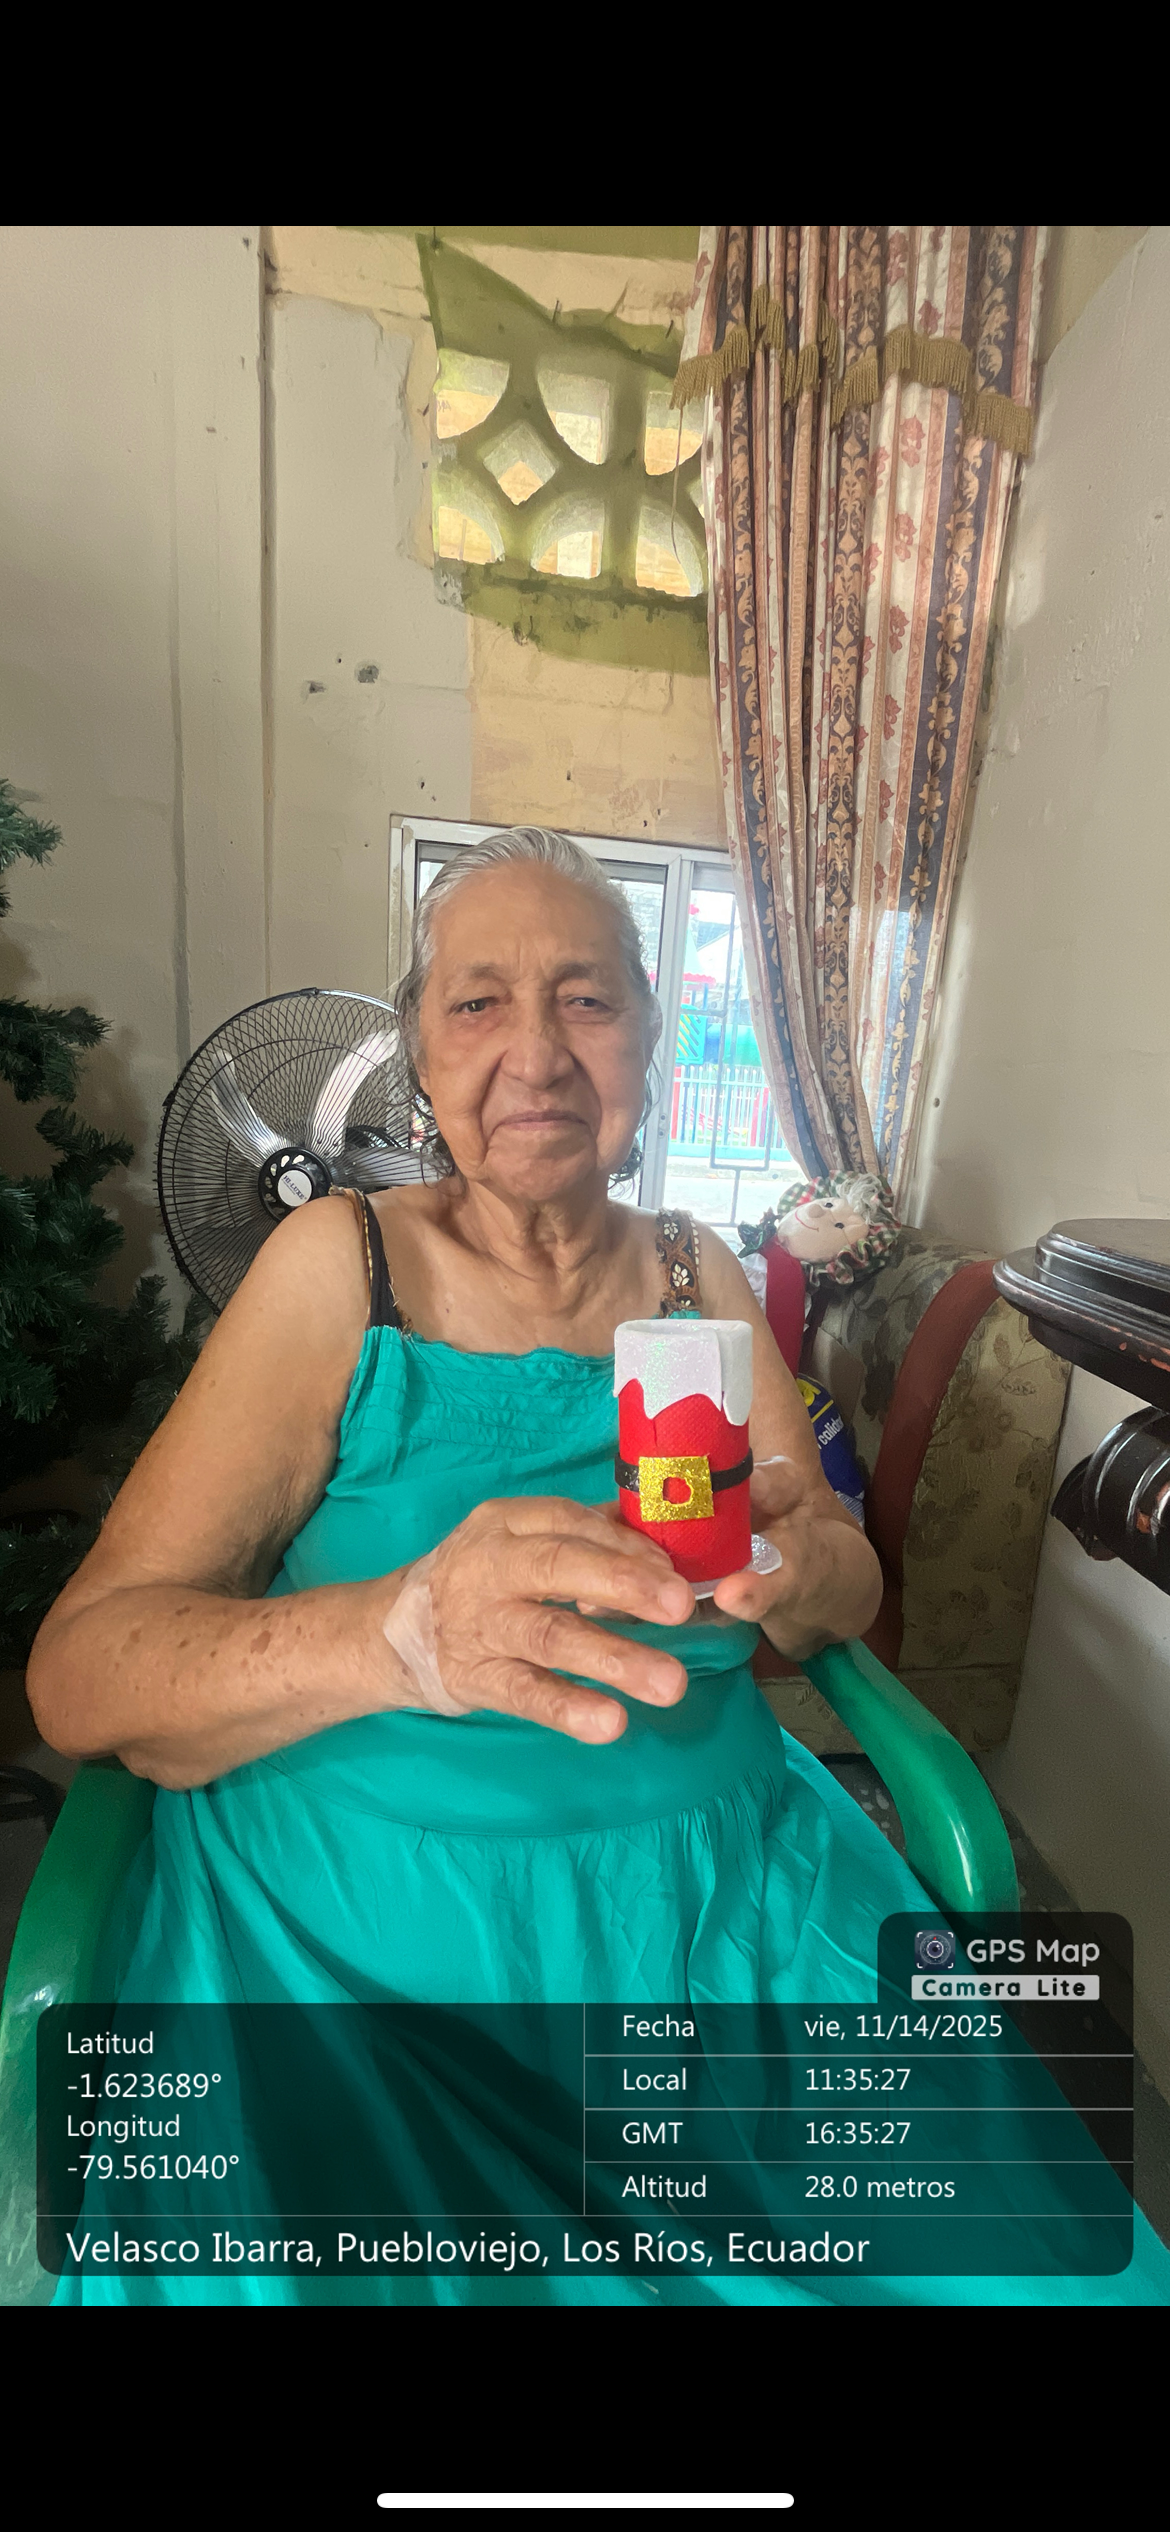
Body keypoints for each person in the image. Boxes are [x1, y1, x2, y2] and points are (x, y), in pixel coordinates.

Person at [27, 828, 1169, 2306]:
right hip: (370, 1944)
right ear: (419, 1057)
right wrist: (396, 1634)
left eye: (587, 999)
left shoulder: (699, 1272)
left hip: (726, 1915)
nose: (538, 1053)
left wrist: (799, 1567)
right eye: (478, 1002)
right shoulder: (338, 1269)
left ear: (646, 1041)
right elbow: (83, 1672)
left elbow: (838, 1581)